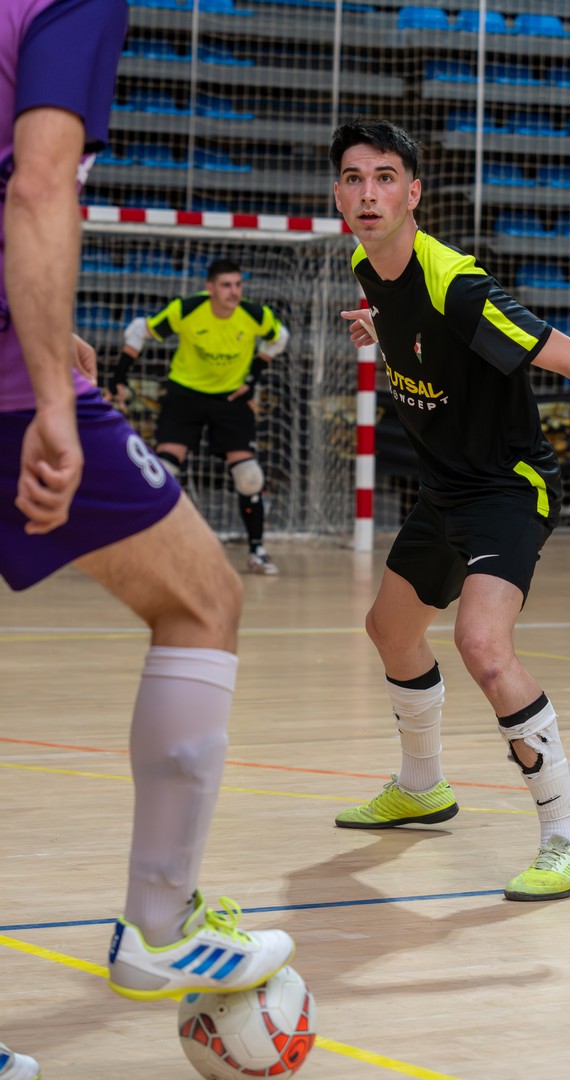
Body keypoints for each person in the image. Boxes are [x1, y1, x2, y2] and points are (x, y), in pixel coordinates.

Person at [0, 5, 294, 1074]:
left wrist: (47, 326)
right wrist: (48, 387)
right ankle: (160, 926)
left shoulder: (250, 322)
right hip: (9, 395)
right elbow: (39, 183)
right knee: (201, 599)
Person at [330, 119, 570, 901]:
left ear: (413, 193)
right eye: (353, 178)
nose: (368, 193)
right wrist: (382, 326)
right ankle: (422, 788)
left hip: (509, 487)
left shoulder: (458, 286)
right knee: (390, 630)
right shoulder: (367, 265)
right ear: (338, 194)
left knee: (482, 644)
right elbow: (415, 329)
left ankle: (568, 842)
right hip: (445, 487)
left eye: (384, 178)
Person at [109, 259, 290, 575]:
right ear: (210, 288)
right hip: (185, 394)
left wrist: (253, 378)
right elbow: (139, 330)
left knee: (249, 476)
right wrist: (118, 378)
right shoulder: (188, 309)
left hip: (230, 398)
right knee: (163, 471)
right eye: (226, 285)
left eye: (238, 285)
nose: (234, 292)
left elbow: (280, 337)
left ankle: (257, 551)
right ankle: (150, 548)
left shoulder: (254, 315)